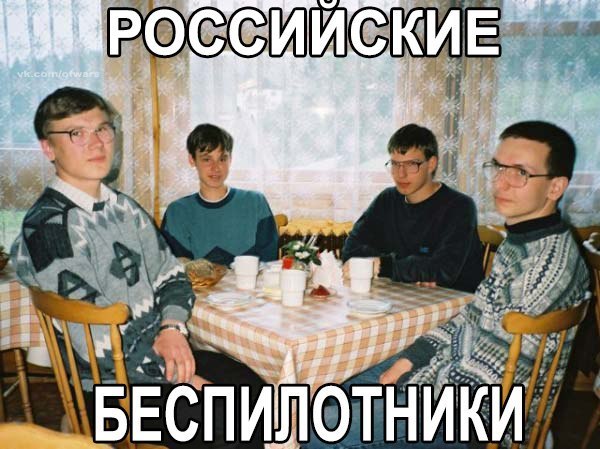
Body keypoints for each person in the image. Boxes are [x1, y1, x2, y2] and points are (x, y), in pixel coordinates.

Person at [305, 121, 590, 449]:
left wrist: (412, 381)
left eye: (520, 173)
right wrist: (412, 358)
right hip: (450, 386)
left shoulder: (547, 266)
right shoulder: (522, 241)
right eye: (498, 167)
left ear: (555, 187)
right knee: (325, 391)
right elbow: (471, 317)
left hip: (476, 421)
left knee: (316, 429)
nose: (500, 182)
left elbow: (485, 377)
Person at [10, 87, 264, 448]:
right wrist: (176, 378)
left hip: (156, 352)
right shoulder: (49, 228)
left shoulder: (123, 208)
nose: (96, 143)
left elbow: (171, 274)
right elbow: (96, 339)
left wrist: (172, 328)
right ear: (48, 148)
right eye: (76, 133)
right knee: (240, 420)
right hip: (113, 387)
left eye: (102, 129)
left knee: (260, 390)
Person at [342, 124, 483, 293]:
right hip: (402, 296)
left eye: (411, 164)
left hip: (454, 302)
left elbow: (444, 270)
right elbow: (351, 249)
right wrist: (414, 269)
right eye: (395, 164)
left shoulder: (459, 207)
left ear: (431, 164)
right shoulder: (387, 200)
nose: (401, 174)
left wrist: (385, 265)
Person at [161, 123, 278, 266]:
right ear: (192, 160)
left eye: (222, 159)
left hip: (250, 280)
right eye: (207, 159)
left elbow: (268, 261)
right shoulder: (177, 212)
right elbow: (177, 267)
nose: (216, 168)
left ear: (230, 160)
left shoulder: (255, 203)